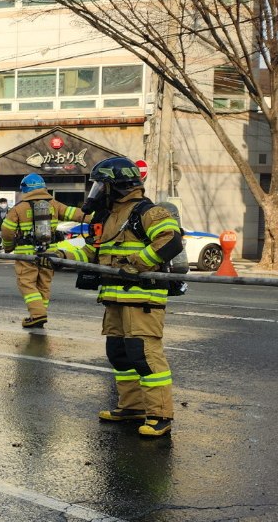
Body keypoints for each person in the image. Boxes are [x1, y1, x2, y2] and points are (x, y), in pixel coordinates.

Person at [46, 157, 182, 438]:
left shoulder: (148, 212)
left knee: (144, 356)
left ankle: (160, 415)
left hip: (142, 300)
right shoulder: (109, 217)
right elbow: (94, 252)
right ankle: (132, 407)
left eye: (101, 185)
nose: (96, 191)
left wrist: (136, 263)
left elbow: (171, 240)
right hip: (115, 299)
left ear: (117, 186)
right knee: (119, 354)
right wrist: (60, 254)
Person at [1, 173, 80, 328]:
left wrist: (8, 246)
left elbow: (7, 231)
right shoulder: (54, 204)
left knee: (27, 283)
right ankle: (39, 314)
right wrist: (98, 218)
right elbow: (74, 213)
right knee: (44, 284)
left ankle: (38, 314)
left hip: (26, 255)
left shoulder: (18, 208)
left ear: (25, 189)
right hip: (50, 253)